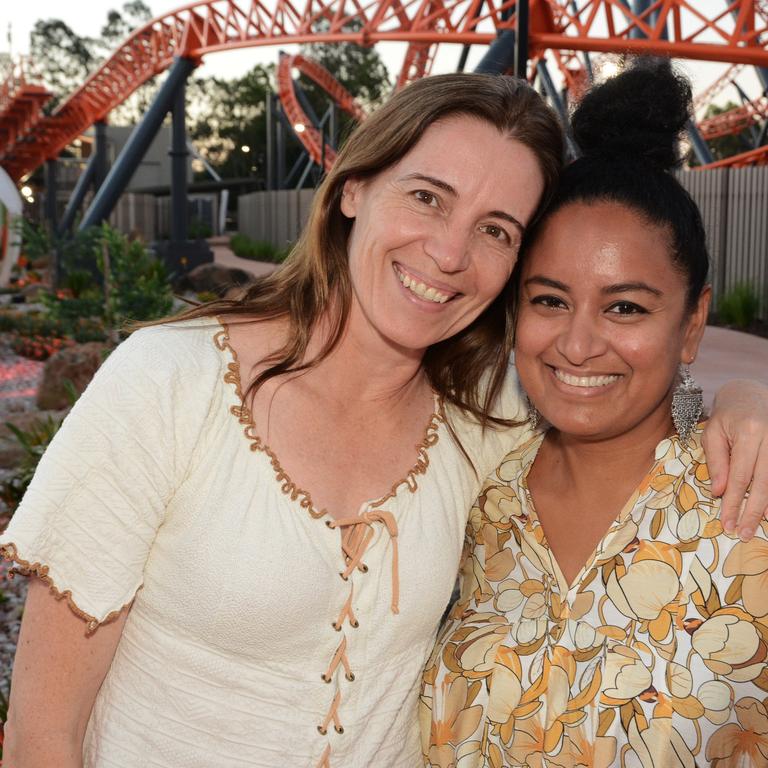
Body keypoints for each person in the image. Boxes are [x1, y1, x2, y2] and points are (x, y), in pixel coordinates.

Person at [1, 72, 767, 768]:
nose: (448, 251)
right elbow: (40, 737)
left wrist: (744, 402)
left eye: (496, 229)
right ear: (353, 187)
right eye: (428, 197)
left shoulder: (484, 422)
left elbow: (612, 396)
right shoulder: (172, 384)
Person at [421, 60, 768, 768]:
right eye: (549, 299)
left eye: (626, 307)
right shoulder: (471, 489)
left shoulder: (748, 510)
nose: (578, 345)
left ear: (694, 321)